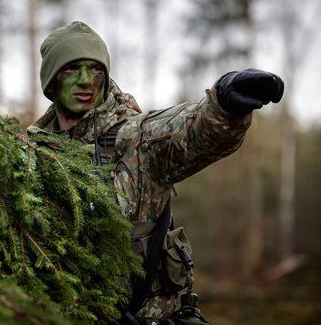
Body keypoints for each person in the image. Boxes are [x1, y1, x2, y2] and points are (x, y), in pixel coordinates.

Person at [27, 21, 284, 324]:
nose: (85, 80)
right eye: (71, 69)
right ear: (51, 82)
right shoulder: (31, 153)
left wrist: (224, 105)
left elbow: (187, 128)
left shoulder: (134, 138)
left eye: (94, 69)